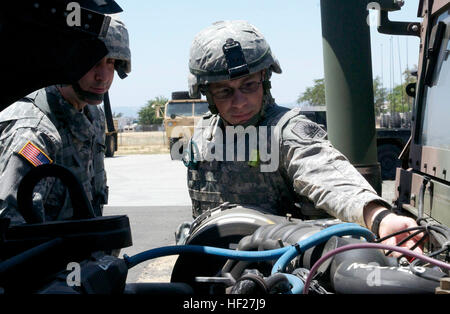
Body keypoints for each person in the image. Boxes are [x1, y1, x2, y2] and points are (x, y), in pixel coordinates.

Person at [182, 20, 421, 252]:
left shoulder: (286, 131)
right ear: (207, 95)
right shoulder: (204, 135)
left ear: (265, 80)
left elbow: (325, 172)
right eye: (225, 91)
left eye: (249, 85)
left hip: (278, 269)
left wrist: (378, 217)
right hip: (214, 265)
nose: (240, 102)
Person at [0, 18, 131, 225]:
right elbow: (14, 229)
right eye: (94, 62)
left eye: (111, 62)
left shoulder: (93, 117)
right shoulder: (35, 131)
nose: (104, 76)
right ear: (69, 60)